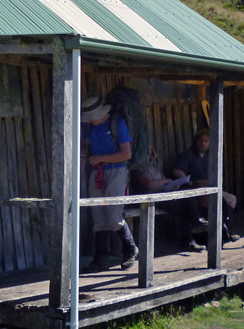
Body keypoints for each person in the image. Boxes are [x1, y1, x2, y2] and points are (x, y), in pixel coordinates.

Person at [81, 95, 139, 272]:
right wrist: (84, 155)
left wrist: (100, 158)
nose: (90, 120)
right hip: (97, 172)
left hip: (116, 171)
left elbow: (126, 154)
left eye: (93, 116)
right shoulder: (90, 125)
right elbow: (84, 144)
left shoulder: (117, 124)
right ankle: (101, 258)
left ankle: (130, 248)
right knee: (98, 216)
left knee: (114, 215)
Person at [172, 128, 240, 243]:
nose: (202, 143)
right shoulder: (189, 155)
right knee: (215, 201)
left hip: (211, 188)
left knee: (231, 199)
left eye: (205, 141)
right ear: (196, 141)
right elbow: (177, 171)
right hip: (196, 189)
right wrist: (189, 182)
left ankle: (223, 226)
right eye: (200, 140)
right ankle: (217, 232)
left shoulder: (211, 156)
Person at [134, 148, 207, 252]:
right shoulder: (140, 167)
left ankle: (190, 237)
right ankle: (195, 225)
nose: (147, 156)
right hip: (150, 198)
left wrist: (172, 185)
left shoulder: (153, 165)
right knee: (186, 204)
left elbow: (162, 183)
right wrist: (167, 181)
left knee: (186, 195)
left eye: (149, 153)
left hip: (163, 195)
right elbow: (149, 184)